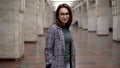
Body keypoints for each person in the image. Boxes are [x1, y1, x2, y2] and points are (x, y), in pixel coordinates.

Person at [44, 3, 76, 68]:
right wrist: (51, 64)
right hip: (57, 65)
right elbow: (48, 49)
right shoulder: (53, 29)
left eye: (67, 14)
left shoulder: (68, 28)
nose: (65, 16)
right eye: (62, 14)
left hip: (68, 63)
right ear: (58, 16)